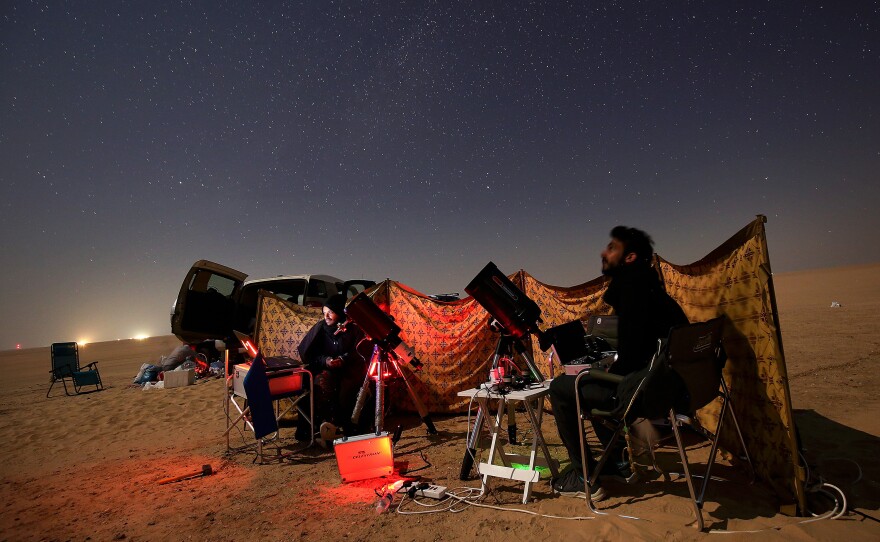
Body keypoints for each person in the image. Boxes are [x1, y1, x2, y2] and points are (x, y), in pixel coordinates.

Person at [548, 226, 689, 500]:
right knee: (593, 381)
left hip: (642, 393)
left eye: (612, 248)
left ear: (630, 257)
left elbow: (633, 356)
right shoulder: (652, 290)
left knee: (561, 388)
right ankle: (617, 464)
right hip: (665, 388)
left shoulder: (633, 292)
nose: (604, 252)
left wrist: (604, 371)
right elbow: (641, 345)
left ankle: (584, 476)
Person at [296, 294, 369, 445]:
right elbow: (310, 354)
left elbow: (360, 351)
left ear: (340, 312)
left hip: (349, 369)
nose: (326, 316)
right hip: (326, 368)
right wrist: (327, 361)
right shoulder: (320, 328)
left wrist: (343, 359)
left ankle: (347, 427)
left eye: (330, 312)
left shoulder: (353, 329)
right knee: (321, 384)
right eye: (324, 312)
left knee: (347, 391)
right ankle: (324, 425)